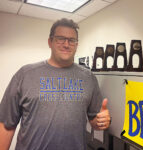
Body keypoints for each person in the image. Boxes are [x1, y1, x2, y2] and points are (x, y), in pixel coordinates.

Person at [0, 18, 111, 150]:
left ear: (76, 45)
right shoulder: (25, 74)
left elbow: (94, 122)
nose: (66, 44)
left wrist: (102, 121)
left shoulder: (89, 78)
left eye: (72, 40)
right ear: (50, 42)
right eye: (60, 38)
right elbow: (6, 124)